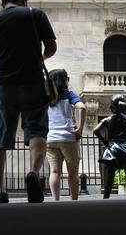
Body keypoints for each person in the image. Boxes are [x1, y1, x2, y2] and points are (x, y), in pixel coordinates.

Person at [0, 0, 57, 204]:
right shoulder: (35, 14)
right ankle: (33, 172)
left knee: (0, 134)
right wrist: (39, 58)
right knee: (36, 129)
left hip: (4, 84)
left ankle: (0, 189)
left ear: (2, 1)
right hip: (32, 81)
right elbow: (51, 47)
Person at [93, 95, 126, 199]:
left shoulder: (107, 120)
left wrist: (104, 141)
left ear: (112, 107)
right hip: (125, 149)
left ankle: (106, 198)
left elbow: (95, 130)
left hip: (112, 149)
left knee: (110, 176)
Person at [45, 69, 86, 201]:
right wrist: (79, 129)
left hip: (50, 138)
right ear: (65, 80)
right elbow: (82, 108)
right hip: (68, 138)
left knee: (54, 171)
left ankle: (56, 201)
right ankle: (73, 201)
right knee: (72, 173)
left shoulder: (46, 97)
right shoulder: (69, 95)